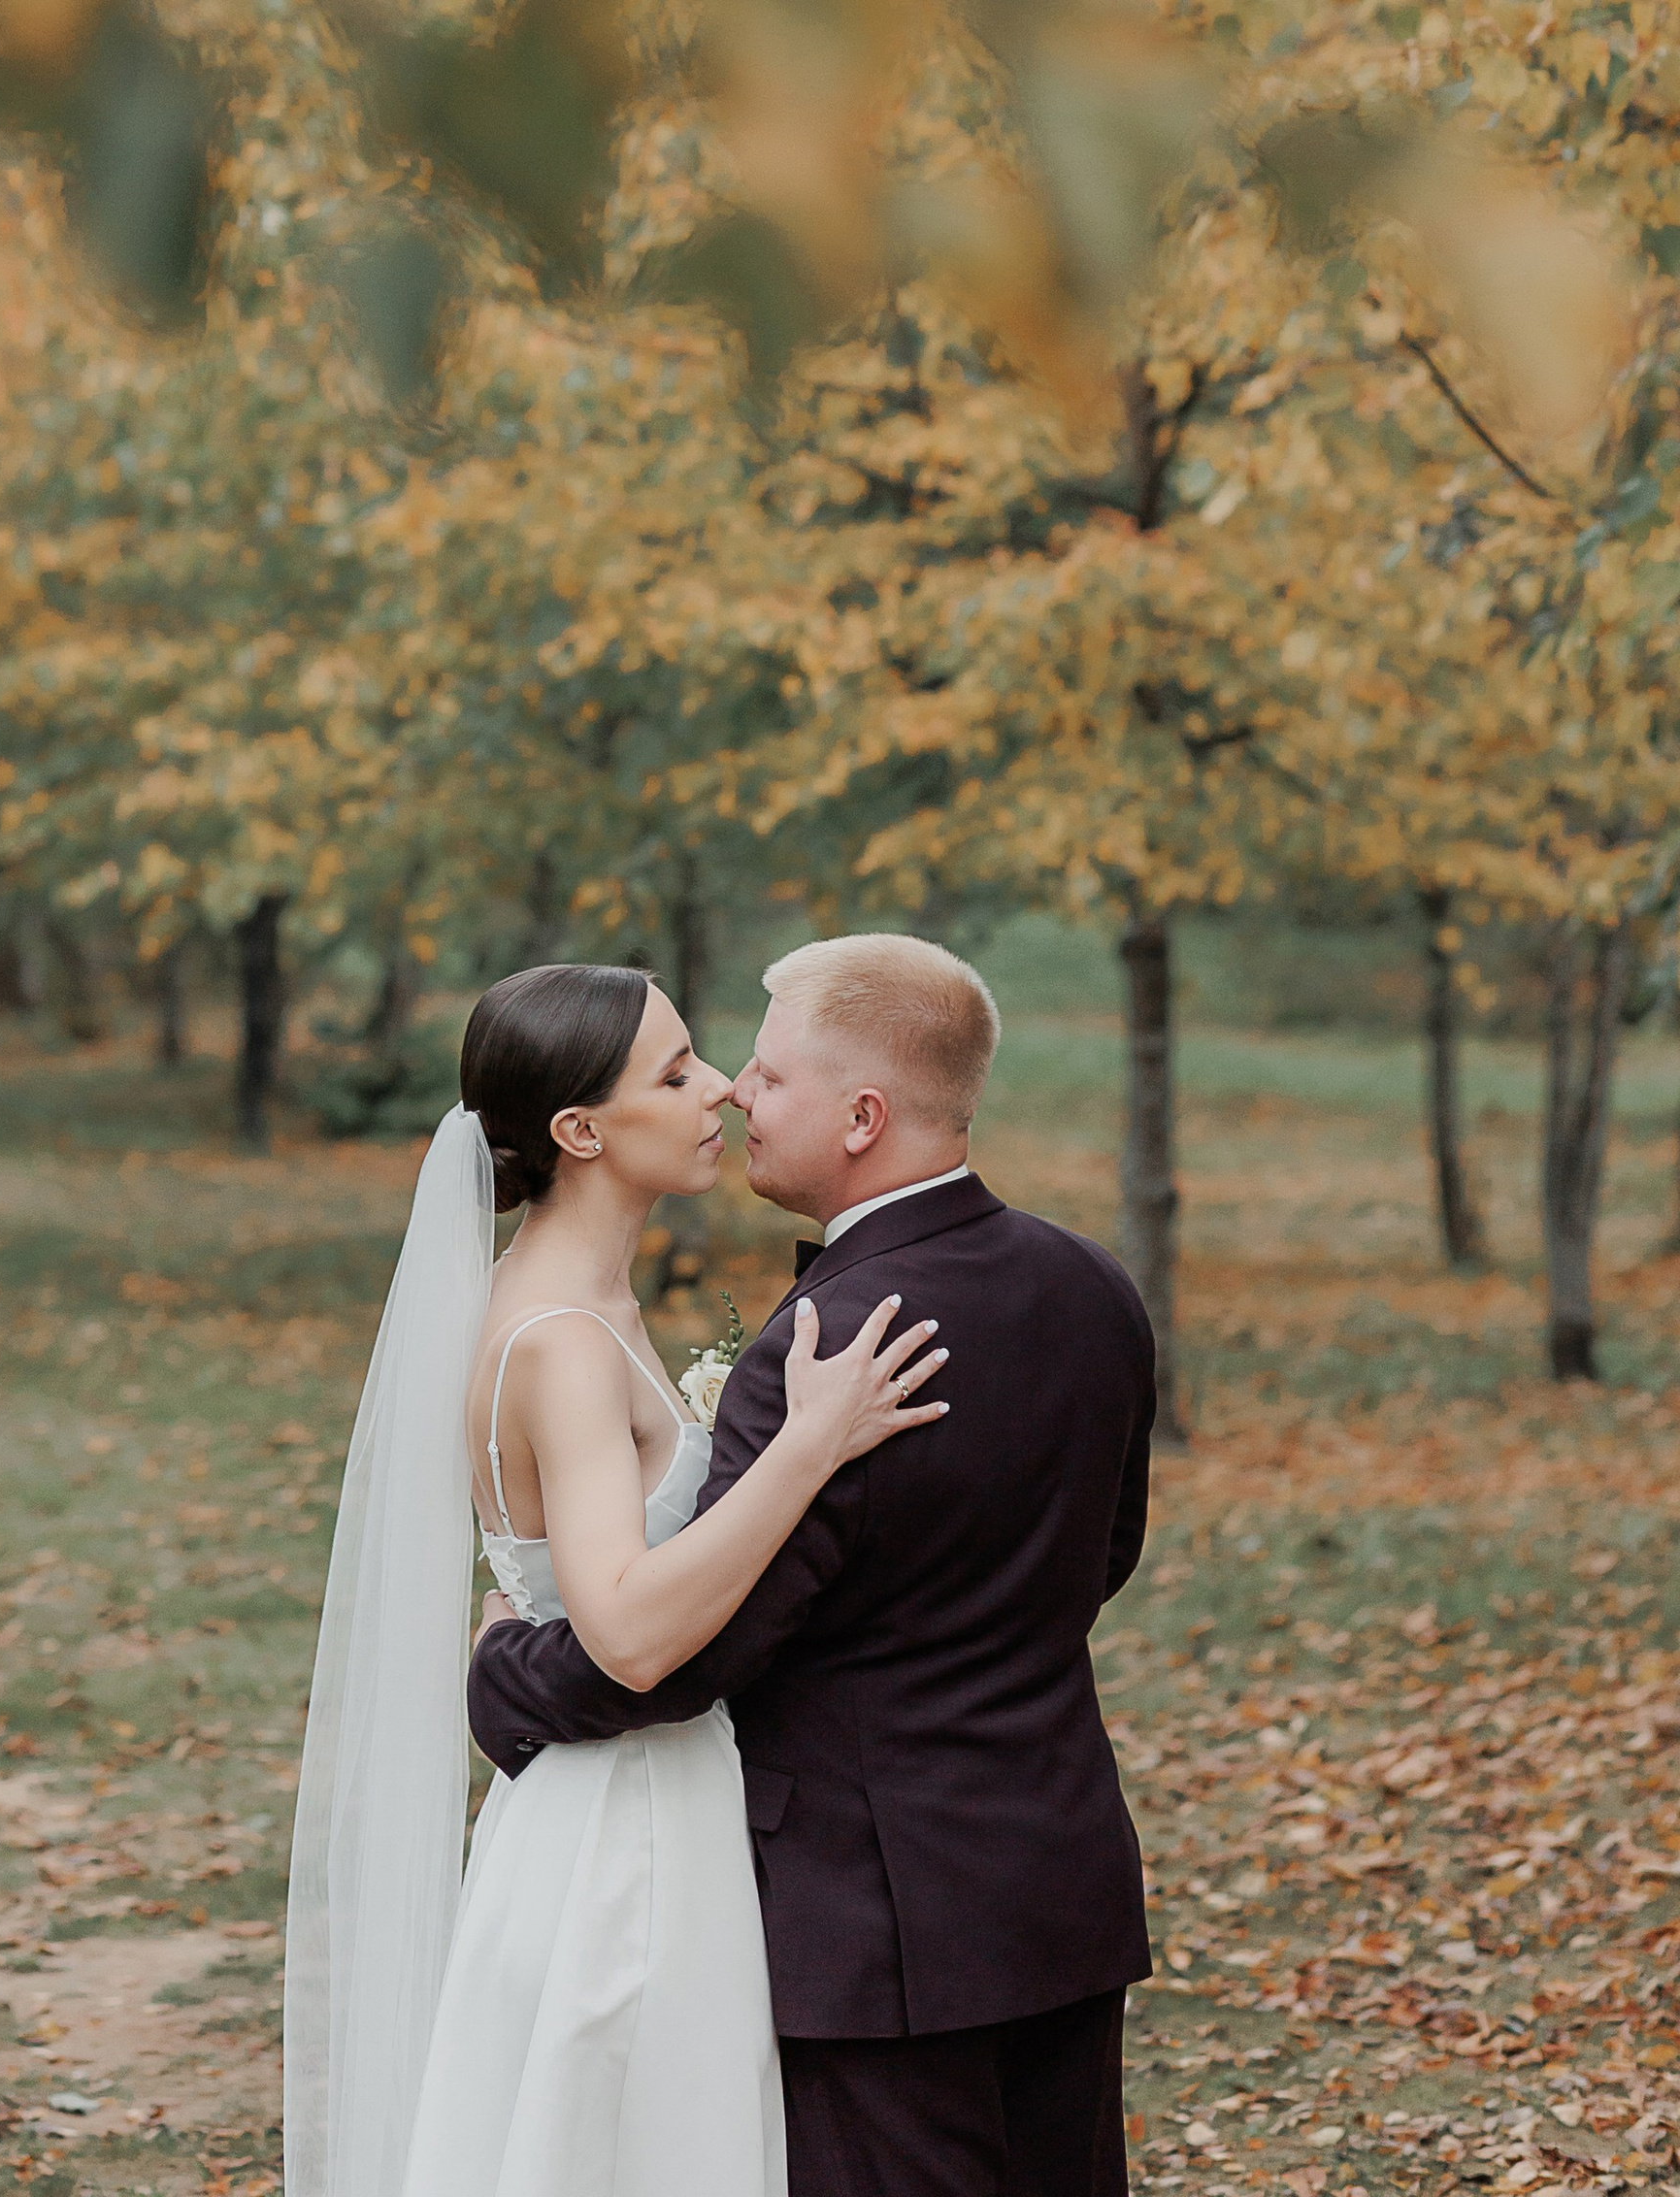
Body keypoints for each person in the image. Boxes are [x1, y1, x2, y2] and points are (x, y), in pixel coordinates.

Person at [470, 931, 1159, 2197]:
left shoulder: (830, 1345)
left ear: (861, 1117)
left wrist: (506, 1673)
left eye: (769, 1075)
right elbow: (1103, 1554)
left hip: (872, 1918)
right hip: (1058, 1879)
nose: (737, 1091)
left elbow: (697, 1654)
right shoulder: (1092, 1285)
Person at [282, 957, 950, 2197]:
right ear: (580, 1131)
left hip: (620, 1802)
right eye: (676, 1074)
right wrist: (807, 1446)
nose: (724, 1089)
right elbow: (630, 1635)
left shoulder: (575, 1304)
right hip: (625, 1835)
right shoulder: (564, 1343)